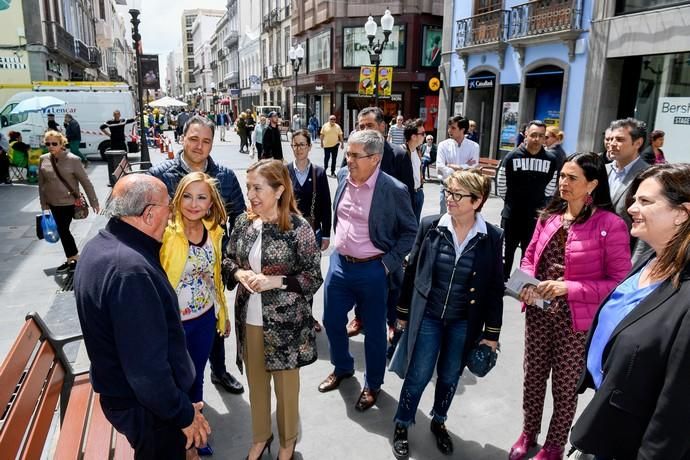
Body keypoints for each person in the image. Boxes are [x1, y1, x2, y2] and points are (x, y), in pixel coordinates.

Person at [74, 174, 211, 459]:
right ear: (149, 214)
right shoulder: (130, 272)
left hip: (141, 401)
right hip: (147, 410)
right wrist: (183, 414)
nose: (173, 213)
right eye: (168, 206)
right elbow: (146, 371)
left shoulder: (102, 245)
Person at [509, 153, 631, 460]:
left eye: (572, 177)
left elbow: (618, 281)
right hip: (539, 311)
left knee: (564, 388)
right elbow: (529, 255)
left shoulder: (611, 225)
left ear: (592, 184)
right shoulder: (548, 216)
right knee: (533, 378)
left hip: (576, 321)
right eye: (562, 176)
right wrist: (525, 284)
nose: (563, 182)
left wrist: (568, 287)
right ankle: (528, 432)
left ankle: (554, 445)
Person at [570, 163, 690, 460]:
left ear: (682, 213)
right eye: (635, 199)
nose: (632, 208)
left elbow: (676, 409)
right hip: (606, 420)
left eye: (645, 201)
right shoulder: (651, 258)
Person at [389, 169, 504, 458]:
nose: (448, 199)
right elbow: (412, 271)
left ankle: (439, 421)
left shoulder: (492, 237)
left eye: (456, 194)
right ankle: (402, 423)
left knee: (450, 375)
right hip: (428, 316)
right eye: (447, 192)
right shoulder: (430, 226)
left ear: (477, 202)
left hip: (464, 322)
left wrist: (491, 334)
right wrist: (402, 314)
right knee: (418, 373)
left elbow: (493, 288)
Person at [222, 159, 323, 460]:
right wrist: (239, 274)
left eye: (258, 188)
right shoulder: (243, 222)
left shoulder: (298, 228)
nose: (251, 194)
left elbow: (313, 277)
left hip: (286, 325)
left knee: (286, 391)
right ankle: (260, 437)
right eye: (249, 186)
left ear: (279, 190)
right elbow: (228, 260)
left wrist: (275, 281)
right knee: (257, 386)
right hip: (249, 320)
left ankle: (287, 443)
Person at [318, 130, 417, 412]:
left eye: (354, 155)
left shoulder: (393, 190)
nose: (347, 159)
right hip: (339, 265)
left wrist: (387, 264)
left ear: (375, 158)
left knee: (374, 333)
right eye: (347, 153)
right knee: (332, 321)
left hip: (373, 269)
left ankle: (373, 384)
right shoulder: (341, 178)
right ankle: (342, 367)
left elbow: (410, 232)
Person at [149, 115, 246, 397]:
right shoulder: (160, 175)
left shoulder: (225, 176)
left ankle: (219, 370)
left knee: (213, 319)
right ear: (182, 138)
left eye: (206, 141)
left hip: (209, 262)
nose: (199, 146)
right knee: (177, 343)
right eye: (194, 138)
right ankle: (185, 395)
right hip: (173, 269)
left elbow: (239, 218)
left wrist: (227, 254)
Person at [160, 172, 229, 456]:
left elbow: (215, 279)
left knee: (196, 377)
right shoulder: (166, 231)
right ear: (178, 199)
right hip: (172, 324)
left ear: (211, 203)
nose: (193, 203)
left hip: (204, 318)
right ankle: (178, 438)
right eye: (187, 196)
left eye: (201, 197)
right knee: (174, 382)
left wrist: (222, 315)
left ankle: (196, 432)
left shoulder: (214, 232)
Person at [345, 107, 416, 338]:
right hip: (361, 238)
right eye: (361, 126)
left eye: (369, 126)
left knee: (393, 284)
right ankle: (360, 318)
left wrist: (400, 243)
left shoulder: (397, 154)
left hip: (389, 238)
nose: (364, 130)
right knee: (360, 287)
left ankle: (392, 321)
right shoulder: (351, 154)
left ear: (383, 127)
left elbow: (408, 200)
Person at [496, 120, 558, 280]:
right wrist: (510, 202)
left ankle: (522, 285)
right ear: (525, 135)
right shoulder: (511, 157)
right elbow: (501, 184)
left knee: (529, 252)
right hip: (512, 215)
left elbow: (551, 187)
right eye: (534, 135)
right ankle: (502, 282)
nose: (537, 139)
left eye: (541, 136)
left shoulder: (551, 160)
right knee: (506, 251)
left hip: (535, 216)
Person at [38, 130, 99, 274]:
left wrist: (94, 201)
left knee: (63, 230)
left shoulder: (73, 159)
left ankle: (74, 257)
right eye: (48, 144)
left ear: (62, 143)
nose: (51, 146)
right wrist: (43, 204)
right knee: (62, 230)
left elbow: (86, 182)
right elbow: (41, 184)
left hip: (69, 202)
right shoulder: (43, 158)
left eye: (54, 143)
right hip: (52, 202)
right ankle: (72, 258)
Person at [606, 117, 650, 262]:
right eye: (610, 138)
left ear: (638, 143)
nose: (612, 144)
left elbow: (647, 227)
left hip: (622, 260)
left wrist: (632, 267)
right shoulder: (601, 171)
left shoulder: (648, 175)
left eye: (619, 139)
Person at [287, 129, 332, 251]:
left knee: (312, 269)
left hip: (313, 231)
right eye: (295, 145)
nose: (299, 149)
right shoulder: (285, 171)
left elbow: (326, 206)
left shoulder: (319, 173)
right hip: (288, 233)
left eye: (302, 144)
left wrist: (326, 234)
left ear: (309, 147)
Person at [436, 116, 479, 214]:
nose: (449, 130)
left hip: (467, 192)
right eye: (449, 127)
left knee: (464, 219)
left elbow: (473, 168)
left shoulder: (473, 146)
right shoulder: (443, 145)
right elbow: (440, 169)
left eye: (453, 128)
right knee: (445, 219)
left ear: (463, 129)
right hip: (447, 189)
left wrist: (456, 167)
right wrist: (465, 167)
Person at [401, 119, 426, 221]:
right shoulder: (401, 152)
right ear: (413, 136)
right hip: (407, 196)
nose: (425, 136)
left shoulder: (418, 150)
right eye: (422, 133)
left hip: (419, 193)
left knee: (416, 225)